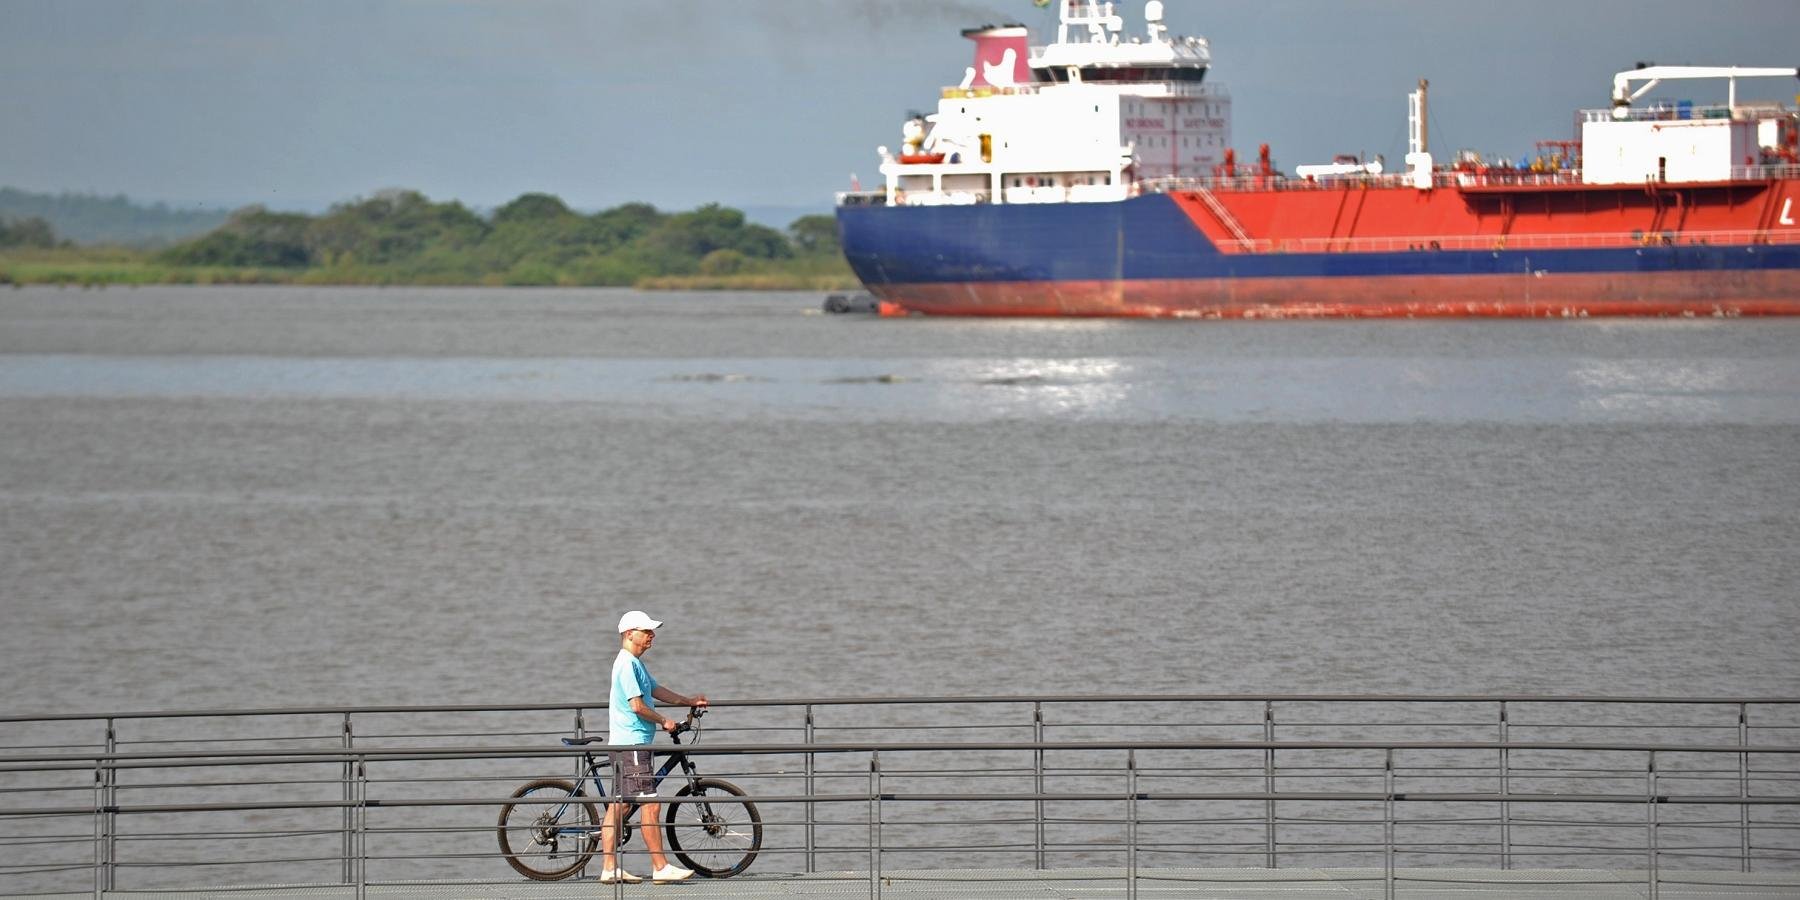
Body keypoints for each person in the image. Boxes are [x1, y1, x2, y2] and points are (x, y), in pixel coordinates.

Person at [599, 610, 708, 885]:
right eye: (646, 631)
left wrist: (688, 701)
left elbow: (656, 690)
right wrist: (664, 721)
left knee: (619, 808)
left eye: (652, 631)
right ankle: (660, 867)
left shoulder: (635, 663)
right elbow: (637, 706)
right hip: (632, 743)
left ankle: (610, 867)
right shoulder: (626, 664)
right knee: (651, 804)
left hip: (630, 743)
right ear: (629, 634)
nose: (652, 636)